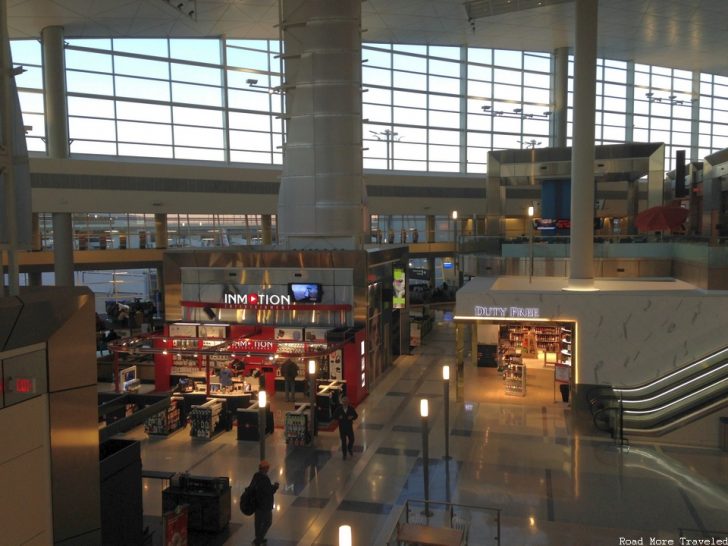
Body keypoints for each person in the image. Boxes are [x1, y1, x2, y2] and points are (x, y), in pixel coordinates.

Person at [248, 460, 279, 546]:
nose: (268, 469)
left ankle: (258, 537)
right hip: (265, 505)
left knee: (258, 522)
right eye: (267, 468)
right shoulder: (265, 479)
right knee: (268, 522)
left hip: (257, 504)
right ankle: (259, 539)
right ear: (264, 468)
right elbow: (269, 491)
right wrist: (275, 487)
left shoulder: (256, 476)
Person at [333, 395, 358, 460]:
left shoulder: (351, 409)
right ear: (342, 402)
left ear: (348, 401)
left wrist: (352, 417)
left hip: (349, 427)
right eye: (344, 401)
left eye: (346, 401)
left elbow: (356, 416)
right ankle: (344, 454)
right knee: (343, 442)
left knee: (352, 439)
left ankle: (349, 448)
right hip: (342, 428)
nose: (345, 402)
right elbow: (334, 417)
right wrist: (339, 418)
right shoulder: (338, 409)